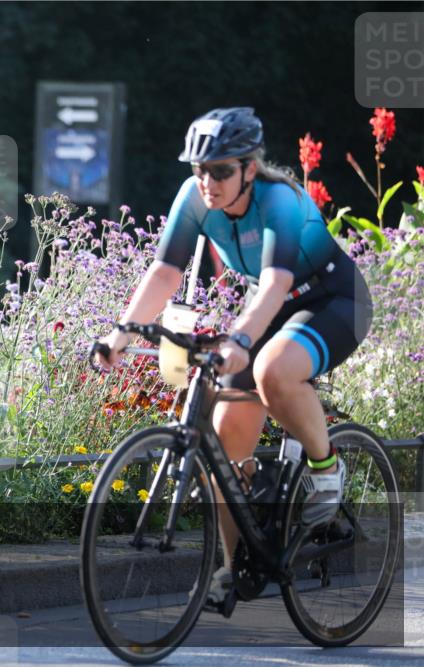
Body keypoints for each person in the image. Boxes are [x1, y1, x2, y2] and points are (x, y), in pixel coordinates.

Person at [94, 107, 373, 608]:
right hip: (271, 311)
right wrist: (119, 334)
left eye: (221, 170)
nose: (208, 182)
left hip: (334, 301)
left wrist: (239, 340)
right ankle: (235, 563)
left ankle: (327, 468)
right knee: (224, 434)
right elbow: (164, 274)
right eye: (200, 170)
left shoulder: (279, 200)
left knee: (272, 371)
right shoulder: (194, 197)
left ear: (249, 167)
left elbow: (275, 283)